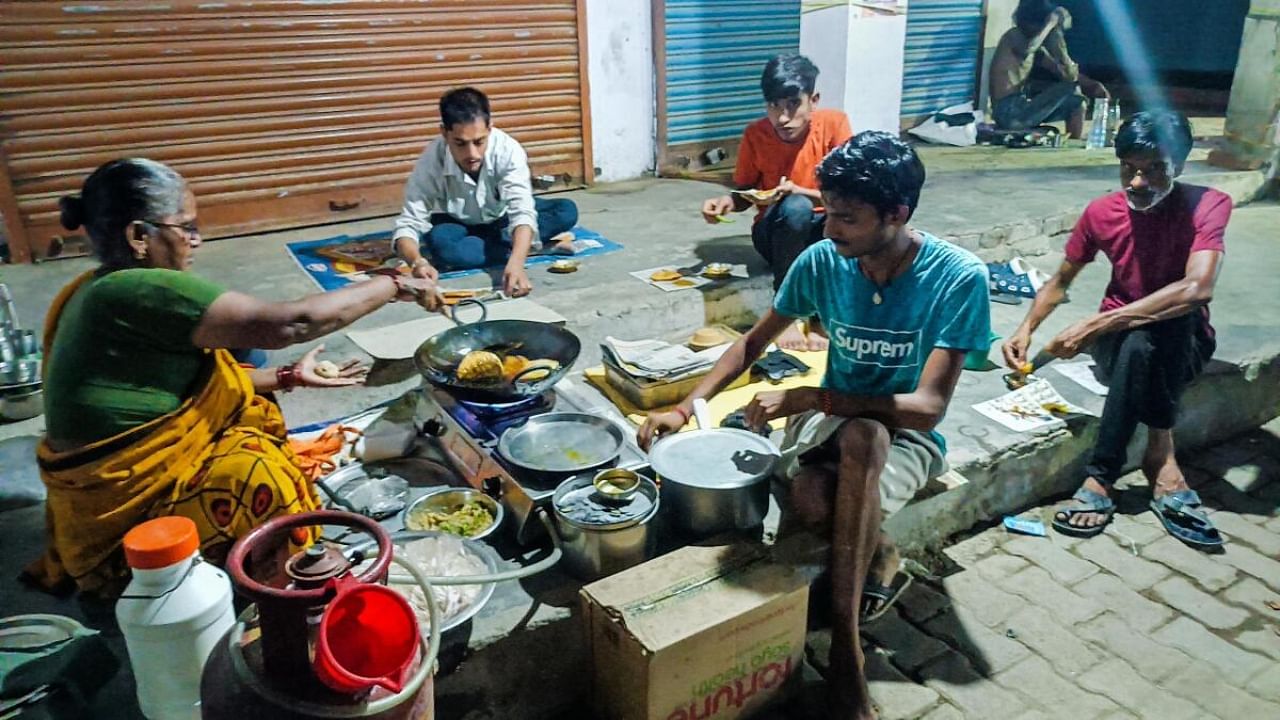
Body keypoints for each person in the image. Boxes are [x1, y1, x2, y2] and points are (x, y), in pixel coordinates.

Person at [642, 132, 990, 719]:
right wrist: (682, 407)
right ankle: (877, 554)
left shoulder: (957, 277)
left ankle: (848, 653)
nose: (829, 230)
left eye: (848, 219)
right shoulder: (823, 261)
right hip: (832, 415)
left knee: (865, 434)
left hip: (903, 433)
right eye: (828, 212)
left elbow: (928, 406)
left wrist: (815, 396)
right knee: (808, 494)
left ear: (897, 214)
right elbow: (750, 344)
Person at [26, 158, 443, 598]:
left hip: (111, 486)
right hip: (124, 520)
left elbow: (176, 392)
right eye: (184, 228)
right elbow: (293, 324)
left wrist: (287, 377)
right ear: (138, 236)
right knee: (259, 469)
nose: (196, 240)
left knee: (245, 361)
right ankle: (286, 589)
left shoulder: (97, 286)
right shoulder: (138, 290)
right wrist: (395, 283)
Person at [1003, 111, 1229, 548]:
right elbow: (1061, 280)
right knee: (1141, 340)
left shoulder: (1208, 203)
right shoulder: (1101, 212)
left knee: (1167, 319)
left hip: (1185, 344)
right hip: (1117, 348)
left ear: (1180, 165)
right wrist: (1025, 329)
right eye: (1129, 169)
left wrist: (1097, 322)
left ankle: (1101, 479)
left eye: (1154, 170)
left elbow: (1198, 287)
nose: (1138, 183)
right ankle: (1161, 458)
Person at [700, 54, 853, 351]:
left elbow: (852, 198)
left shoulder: (835, 125)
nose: (783, 118)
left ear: (814, 99)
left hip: (824, 230)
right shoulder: (755, 134)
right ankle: (787, 312)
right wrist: (726, 202)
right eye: (774, 106)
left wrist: (802, 190)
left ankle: (822, 318)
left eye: (793, 104)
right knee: (795, 208)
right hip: (776, 234)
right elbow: (745, 193)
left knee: (853, 223)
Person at [392, 86, 579, 298]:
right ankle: (527, 246)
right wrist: (418, 262)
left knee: (566, 211)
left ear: (490, 128)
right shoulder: (432, 159)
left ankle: (512, 249)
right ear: (444, 133)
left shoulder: (508, 150)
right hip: (459, 222)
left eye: (479, 142)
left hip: (502, 218)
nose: (472, 154)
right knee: (443, 246)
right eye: (460, 143)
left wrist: (517, 265)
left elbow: (522, 210)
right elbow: (409, 222)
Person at [989, 0, 1108, 138]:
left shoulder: (1037, 48)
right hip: (1008, 112)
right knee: (1072, 87)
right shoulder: (1013, 36)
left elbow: (1066, 74)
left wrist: (1092, 84)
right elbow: (1029, 48)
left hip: (1023, 109)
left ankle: (1074, 142)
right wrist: (1050, 24)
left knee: (1077, 102)